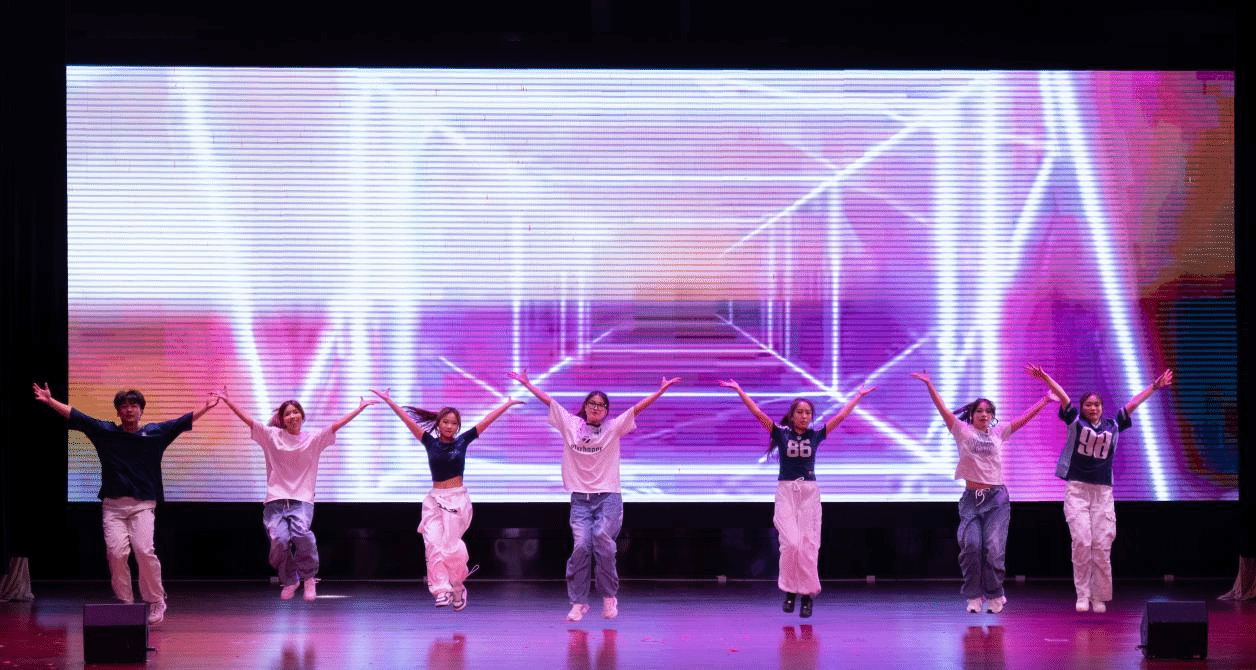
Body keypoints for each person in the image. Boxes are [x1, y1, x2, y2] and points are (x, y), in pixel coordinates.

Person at [32, 382, 218, 624]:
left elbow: (181, 422)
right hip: (113, 506)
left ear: (141, 410)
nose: (129, 410)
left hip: (143, 504)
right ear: (118, 412)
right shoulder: (105, 432)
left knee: (143, 550)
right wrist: (50, 401)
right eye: (124, 406)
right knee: (116, 553)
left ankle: (155, 600)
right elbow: (77, 416)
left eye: (134, 405)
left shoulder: (155, 433)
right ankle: (126, 603)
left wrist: (206, 407)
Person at [507, 370, 680, 622]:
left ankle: (609, 597)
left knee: (602, 539)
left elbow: (637, 409)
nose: (596, 407)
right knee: (580, 547)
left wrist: (660, 391)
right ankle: (578, 602)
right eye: (592, 403)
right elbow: (549, 401)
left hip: (608, 498)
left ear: (606, 411)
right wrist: (528, 384)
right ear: (585, 407)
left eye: (601, 405)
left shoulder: (613, 428)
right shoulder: (571, 424)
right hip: (580, 500)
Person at [719, 379, 875, 618]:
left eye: (808, 413)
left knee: (808, 547)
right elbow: (757, 413)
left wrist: (858, 396)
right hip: (786, 492)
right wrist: (740, 390)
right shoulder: (781, 434)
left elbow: (842, 416)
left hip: (809, 493)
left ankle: (807, 597)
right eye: (800, 412)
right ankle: (790, 591)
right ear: (792, 416)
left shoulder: (816, 435)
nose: (804, 416)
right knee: (791, 544)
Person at [1027, 364, 1173, 613]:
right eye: (1088, 405)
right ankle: (1083, 594)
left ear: (1102, 408)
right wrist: (1046, 378)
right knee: (1082, 542)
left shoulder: (1113, 426)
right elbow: (1064, 397)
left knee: (1102, 546)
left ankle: (1099, 596)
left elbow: (1132, 404)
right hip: (1077, 490)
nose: (1093, 408)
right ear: (1082, 408)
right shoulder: (1075, 423)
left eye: (1097, 404)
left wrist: (1154, 387)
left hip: (1103, 493)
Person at [912, 370, 1054, 614]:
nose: (984, 415)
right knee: (971, 546)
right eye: (979, 411)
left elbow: (1024, 419)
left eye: (988, 411)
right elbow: (942, 409)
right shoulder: (961, 430)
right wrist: (929, 384)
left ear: (992, 416)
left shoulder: (999, 432)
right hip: (971, 499)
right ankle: (974, 595)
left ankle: (996, 594)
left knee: (993, 548)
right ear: (972, 414)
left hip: (996, 498)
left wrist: (1045, 400)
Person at [213, 390, 376, 601]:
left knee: (301, 534)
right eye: (288, 413)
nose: (292, 416)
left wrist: (359, 409)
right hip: (275, 500)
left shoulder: (313, 438)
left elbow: (336, 425)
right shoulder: (271, 436)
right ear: (282, 419)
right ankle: (290, 580)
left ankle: (309, 578)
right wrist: (228, 401)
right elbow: (249, 421)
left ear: (302, 415)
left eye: (296, 412)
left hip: (302, 500)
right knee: (279, 541)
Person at [371, 388, 522, 611]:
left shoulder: (463, 441)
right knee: (433, 545)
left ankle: (458, 585)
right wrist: (388, 400)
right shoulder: (429, 442)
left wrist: (506, 405)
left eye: (454, 423)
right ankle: (441, 589)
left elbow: (485, 421)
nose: (450, 426)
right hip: (434, 500)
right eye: (446, 422)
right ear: (438, 424)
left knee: (450, 548)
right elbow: (407, 421)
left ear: (458, 427)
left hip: (456, 500)